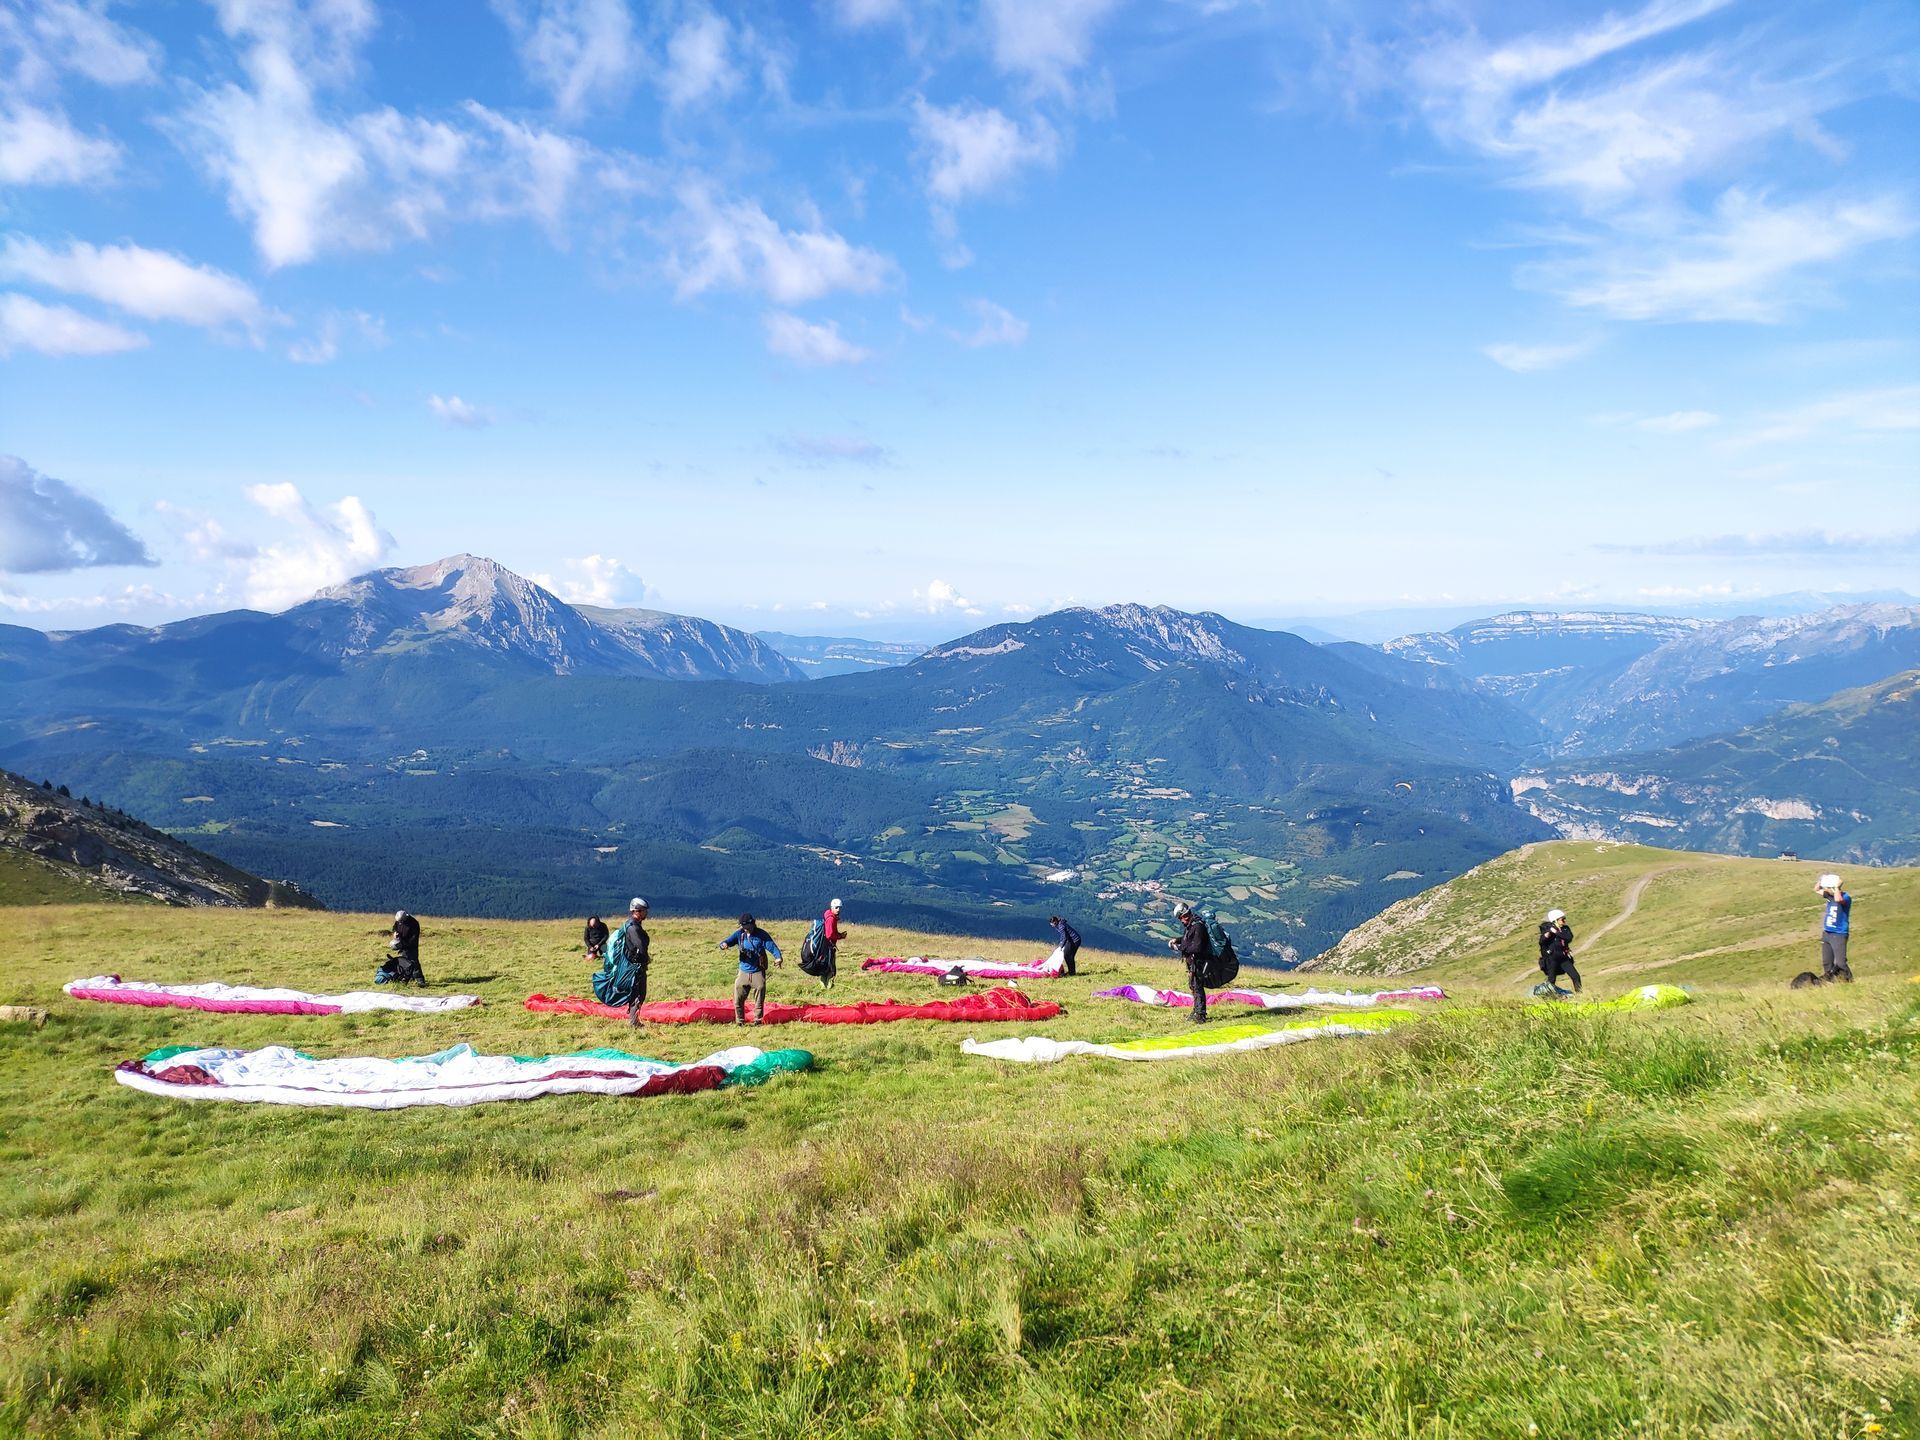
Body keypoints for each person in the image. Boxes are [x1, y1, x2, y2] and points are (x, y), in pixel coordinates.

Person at [591, 897, 652, 1026]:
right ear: (637, 911)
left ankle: (634, 1020)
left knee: (636, 993)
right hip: (634, 966)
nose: (646, 913)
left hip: (632, 965)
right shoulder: (633, 928)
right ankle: (634, 1022)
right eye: (644, 911)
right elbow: (640, 946)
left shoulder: (631, 925)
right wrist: (646, 959)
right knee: (638, 993)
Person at [721, 913, 784, 1025]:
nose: (745, 929)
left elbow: (772, 946)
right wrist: (724, 945)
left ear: (753, 923)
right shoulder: (739, 934)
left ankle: (758, 1021)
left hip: (757, 971)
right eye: (743, 927)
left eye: (747, 926)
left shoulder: (761, 934)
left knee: (759, 999)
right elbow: (726, 941)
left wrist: (778, 957)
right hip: (743, 972)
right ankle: (739, 1021)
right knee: (738, 999)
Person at [1168, 902, 1211, 1022]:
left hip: (1198, 962)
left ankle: (1200, 1015)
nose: (1181, 921)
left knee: (1197, 987)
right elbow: (1188, 940)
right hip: (1194, 962)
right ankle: (1197, 1010)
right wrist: (1177, 940)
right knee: (1193, 986)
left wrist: (1179, 948)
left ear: (1183, 916)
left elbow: (1197, 947)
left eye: (1180, 918)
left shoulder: (1197, 926)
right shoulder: (1192, 925)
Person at [1817, 874, 1854, 982]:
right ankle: (1831, 982)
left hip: (1839, 934)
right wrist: (1822, 880)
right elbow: (1816, 889)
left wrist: (1836, 887)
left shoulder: (1846, 897)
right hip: (1827, 933)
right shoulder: (1830, 897)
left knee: (1841, 962)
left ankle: (1849, 981)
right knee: (1827, 962)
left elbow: (1838, 899)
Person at [377, 909, 425, 986]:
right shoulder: (398, 921)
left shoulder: (414, 923)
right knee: (404, 963)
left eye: (401, 921)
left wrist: (404, 944)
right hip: (401, 945)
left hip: (411, 946)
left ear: (405, 918)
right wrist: (395, 933)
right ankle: (409, 978)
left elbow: (414, 938)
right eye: (399, 921)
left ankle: (420, 980)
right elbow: (395, 927)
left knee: (413, 962)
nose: (400, 923)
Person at [1537, 908, 1580, 994]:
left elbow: (1568, 938)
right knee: (1552, 980)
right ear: (1555, 920)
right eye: (1562, 919)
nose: (1564, 921)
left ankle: (1580, 994)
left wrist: (1556, 932)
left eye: (1564, 918)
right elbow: (1541, 941)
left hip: (1563, 958)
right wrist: (1548, 933)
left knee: (1575, 976)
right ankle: (1549, 996)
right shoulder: (1547, 929)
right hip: (1552, 959)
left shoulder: (1565, 929)